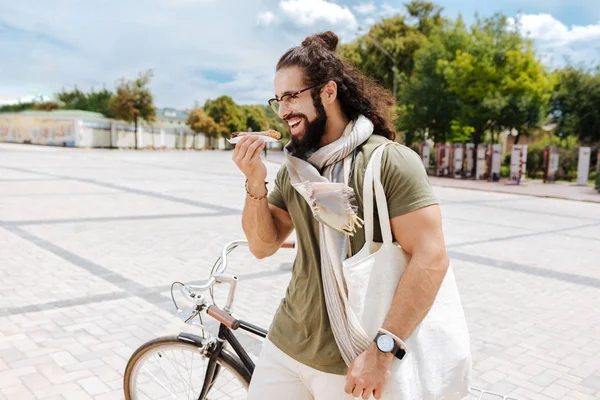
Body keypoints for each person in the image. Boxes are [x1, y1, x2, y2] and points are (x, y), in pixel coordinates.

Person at [233, 31, 466, 400]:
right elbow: (262, 245)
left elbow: (431, 257)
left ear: (328, 92)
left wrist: (383, 350)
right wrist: (254, 183)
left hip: (354, 357)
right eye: (277, 99)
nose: (282, 111)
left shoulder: (389, 161)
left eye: (292, 96)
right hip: (287, 342)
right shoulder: (293, 169)